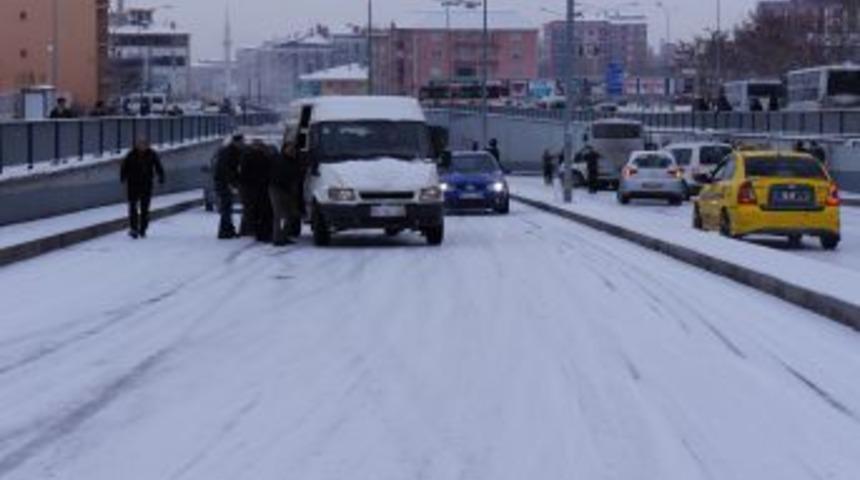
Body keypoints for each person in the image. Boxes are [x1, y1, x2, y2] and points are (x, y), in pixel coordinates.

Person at [120, 139, 165, 239]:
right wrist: (123, 177)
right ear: (136, 145)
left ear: (147, 145)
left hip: (146, 184)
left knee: (145, 208)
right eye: (139, 144)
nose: (141, 146)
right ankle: (134, 229)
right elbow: (124, 167)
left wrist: (161, 176)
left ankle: (143, 228)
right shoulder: (131, 154)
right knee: (132, 207)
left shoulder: (152, 154)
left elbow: (158, 166)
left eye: (144, 145)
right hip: (133, 184)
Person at [238, 140, 274, 242]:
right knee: (263, 212)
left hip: (253, 188)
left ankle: (258, 232)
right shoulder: (265, 156)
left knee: (255, 211)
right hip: (260, 187)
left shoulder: (247, 156)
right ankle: (264, 233)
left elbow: (243, 174)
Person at [269, 141, 302, 246]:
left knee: (290, 215)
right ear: (284, 149)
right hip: (277, 188)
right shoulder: (278, 159)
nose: (292, 151)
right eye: (289, 149)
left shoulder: (294, 161)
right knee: (278, 214)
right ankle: (277, 238)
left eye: (293, 149)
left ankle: (284, 235)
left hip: (288, 190)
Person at [213, 134, 245, 239]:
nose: (243, 143)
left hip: (224, 182)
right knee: (226, 207)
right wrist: (231, 183)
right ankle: (224, 232)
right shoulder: (229, 152)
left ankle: (228, 229)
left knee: (227, 207)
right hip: (224, 183)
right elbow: (226, 169)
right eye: (242, 141)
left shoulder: (231, 151)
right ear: (237, 142)